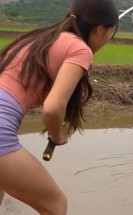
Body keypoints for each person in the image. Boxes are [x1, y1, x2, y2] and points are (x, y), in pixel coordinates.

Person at [0, 0, 119, 213]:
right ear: (100, 29)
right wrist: (57, 136)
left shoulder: (39, 38)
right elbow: (53, 107)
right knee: (55, 205)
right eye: (111, 35)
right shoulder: (80, 49)